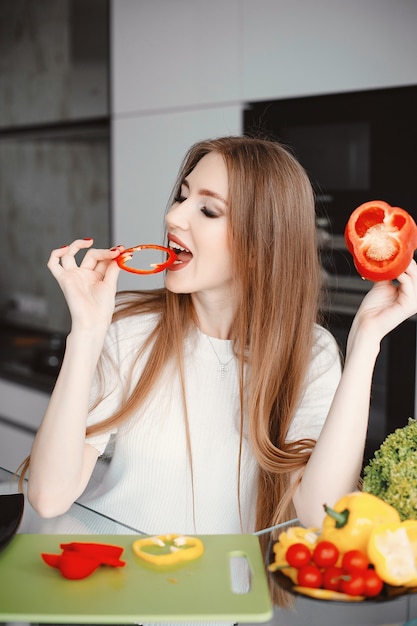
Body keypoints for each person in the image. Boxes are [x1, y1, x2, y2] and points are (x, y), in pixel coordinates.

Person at [24, 135, 417, 546]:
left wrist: (365, 344)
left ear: (263, 240)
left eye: (208, 210)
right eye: (181, 197)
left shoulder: (310, 355)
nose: (174, 216)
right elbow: (49, 497)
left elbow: (321, 516)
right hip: (106, 590)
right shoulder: (131, 331)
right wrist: (86, 332)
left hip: (220, 603)